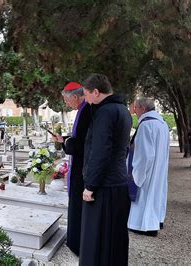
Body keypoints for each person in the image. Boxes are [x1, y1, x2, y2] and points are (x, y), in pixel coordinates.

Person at [79, 73, 132, 266]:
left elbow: (100, 151)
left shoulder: (104, 112)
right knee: (114, 238)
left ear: (96, 92)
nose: (86, 100)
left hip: (103, 186)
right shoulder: (123, 110)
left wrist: (90, 185)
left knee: (97, 238)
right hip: (118, 181)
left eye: (86, 95)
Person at [52, 82, 91, 256]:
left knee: (77, 205)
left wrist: (67, 142)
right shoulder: (83, 110)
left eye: (67, 100)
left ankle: (77, 243)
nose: (66, 104)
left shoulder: (86, 111)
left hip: (82, 168)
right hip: (80, 165)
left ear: (75, 96)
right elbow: (77, 139)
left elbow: (81, 143)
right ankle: (75, 241)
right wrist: (64, 140)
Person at [128, 97, 169, 236]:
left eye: (136, 108)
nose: (135, 111)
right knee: (155, 194)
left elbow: (144, 154)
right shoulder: (161, 123)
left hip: (148, 170)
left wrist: (137, 174)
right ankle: (154, 222)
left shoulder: (146, 125)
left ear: (143, 109)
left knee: (144, 196)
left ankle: (142, 225)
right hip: (158, 168)